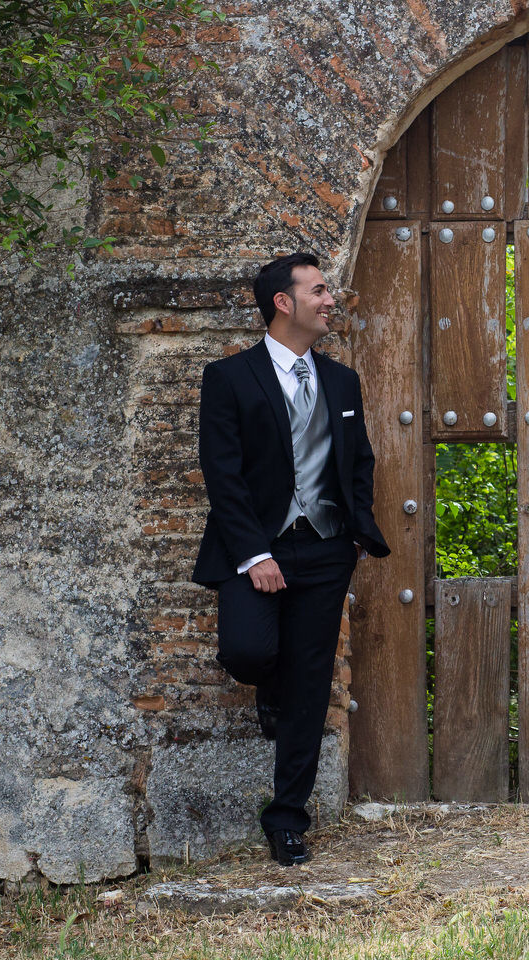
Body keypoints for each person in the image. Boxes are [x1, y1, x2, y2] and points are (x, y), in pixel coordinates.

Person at [192, 251, 390, 866]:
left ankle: (287, 819)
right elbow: (221, 475)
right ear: (285, 302)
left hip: (327, 548)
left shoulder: (341, 381)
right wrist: (254, 554)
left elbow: (358, 460)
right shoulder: (229, 378)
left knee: (310, 684)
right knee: (249, 652)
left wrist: (354, 534)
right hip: (258, 544)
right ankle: (266, 690)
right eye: (321, 290)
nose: (332, 300)